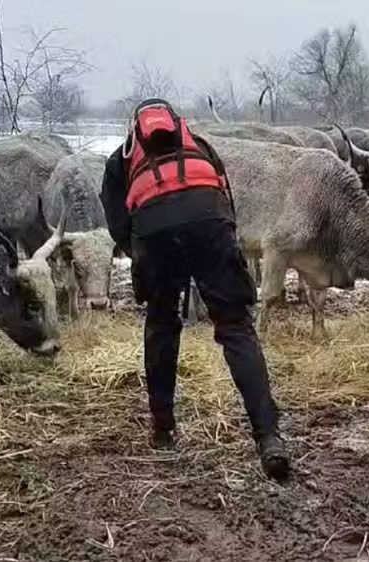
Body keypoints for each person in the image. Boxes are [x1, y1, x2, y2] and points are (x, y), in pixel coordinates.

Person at [99, 98, 290, 480]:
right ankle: (269, 438)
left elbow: (118, 221)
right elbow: (225, 199)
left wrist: (142, 258)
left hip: (153, 233)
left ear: (135, 127)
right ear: (176, 122)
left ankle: (163, 430)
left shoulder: (121, 158)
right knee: (236, 327)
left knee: (162, 324)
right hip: (210, 223)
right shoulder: (198, 145)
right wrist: (221, 251)